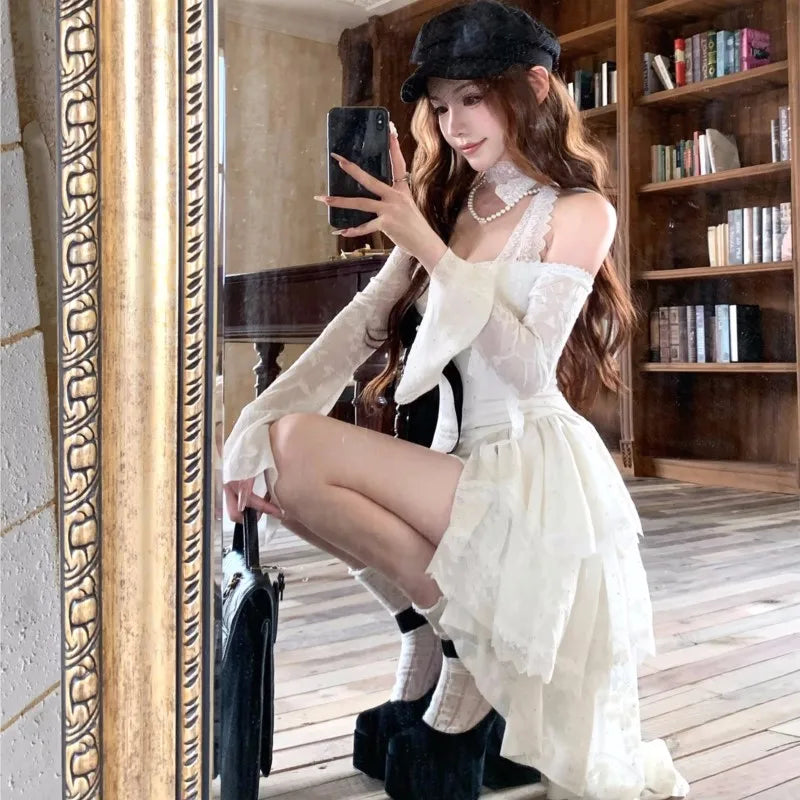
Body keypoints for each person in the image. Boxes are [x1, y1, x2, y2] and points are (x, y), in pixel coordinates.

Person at [222, 1, 690, 798]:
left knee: (298, 447)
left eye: (472, 98)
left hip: (531, 476)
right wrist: (249, 425)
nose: (454, 124)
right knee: (275, 462)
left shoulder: (581, 212)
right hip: (459, 463)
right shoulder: (453, 205)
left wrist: (429, 248)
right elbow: (360, 327)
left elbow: (530, 367)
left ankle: (463, 660)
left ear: (533, 88)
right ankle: (436, 638)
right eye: (441, 106)